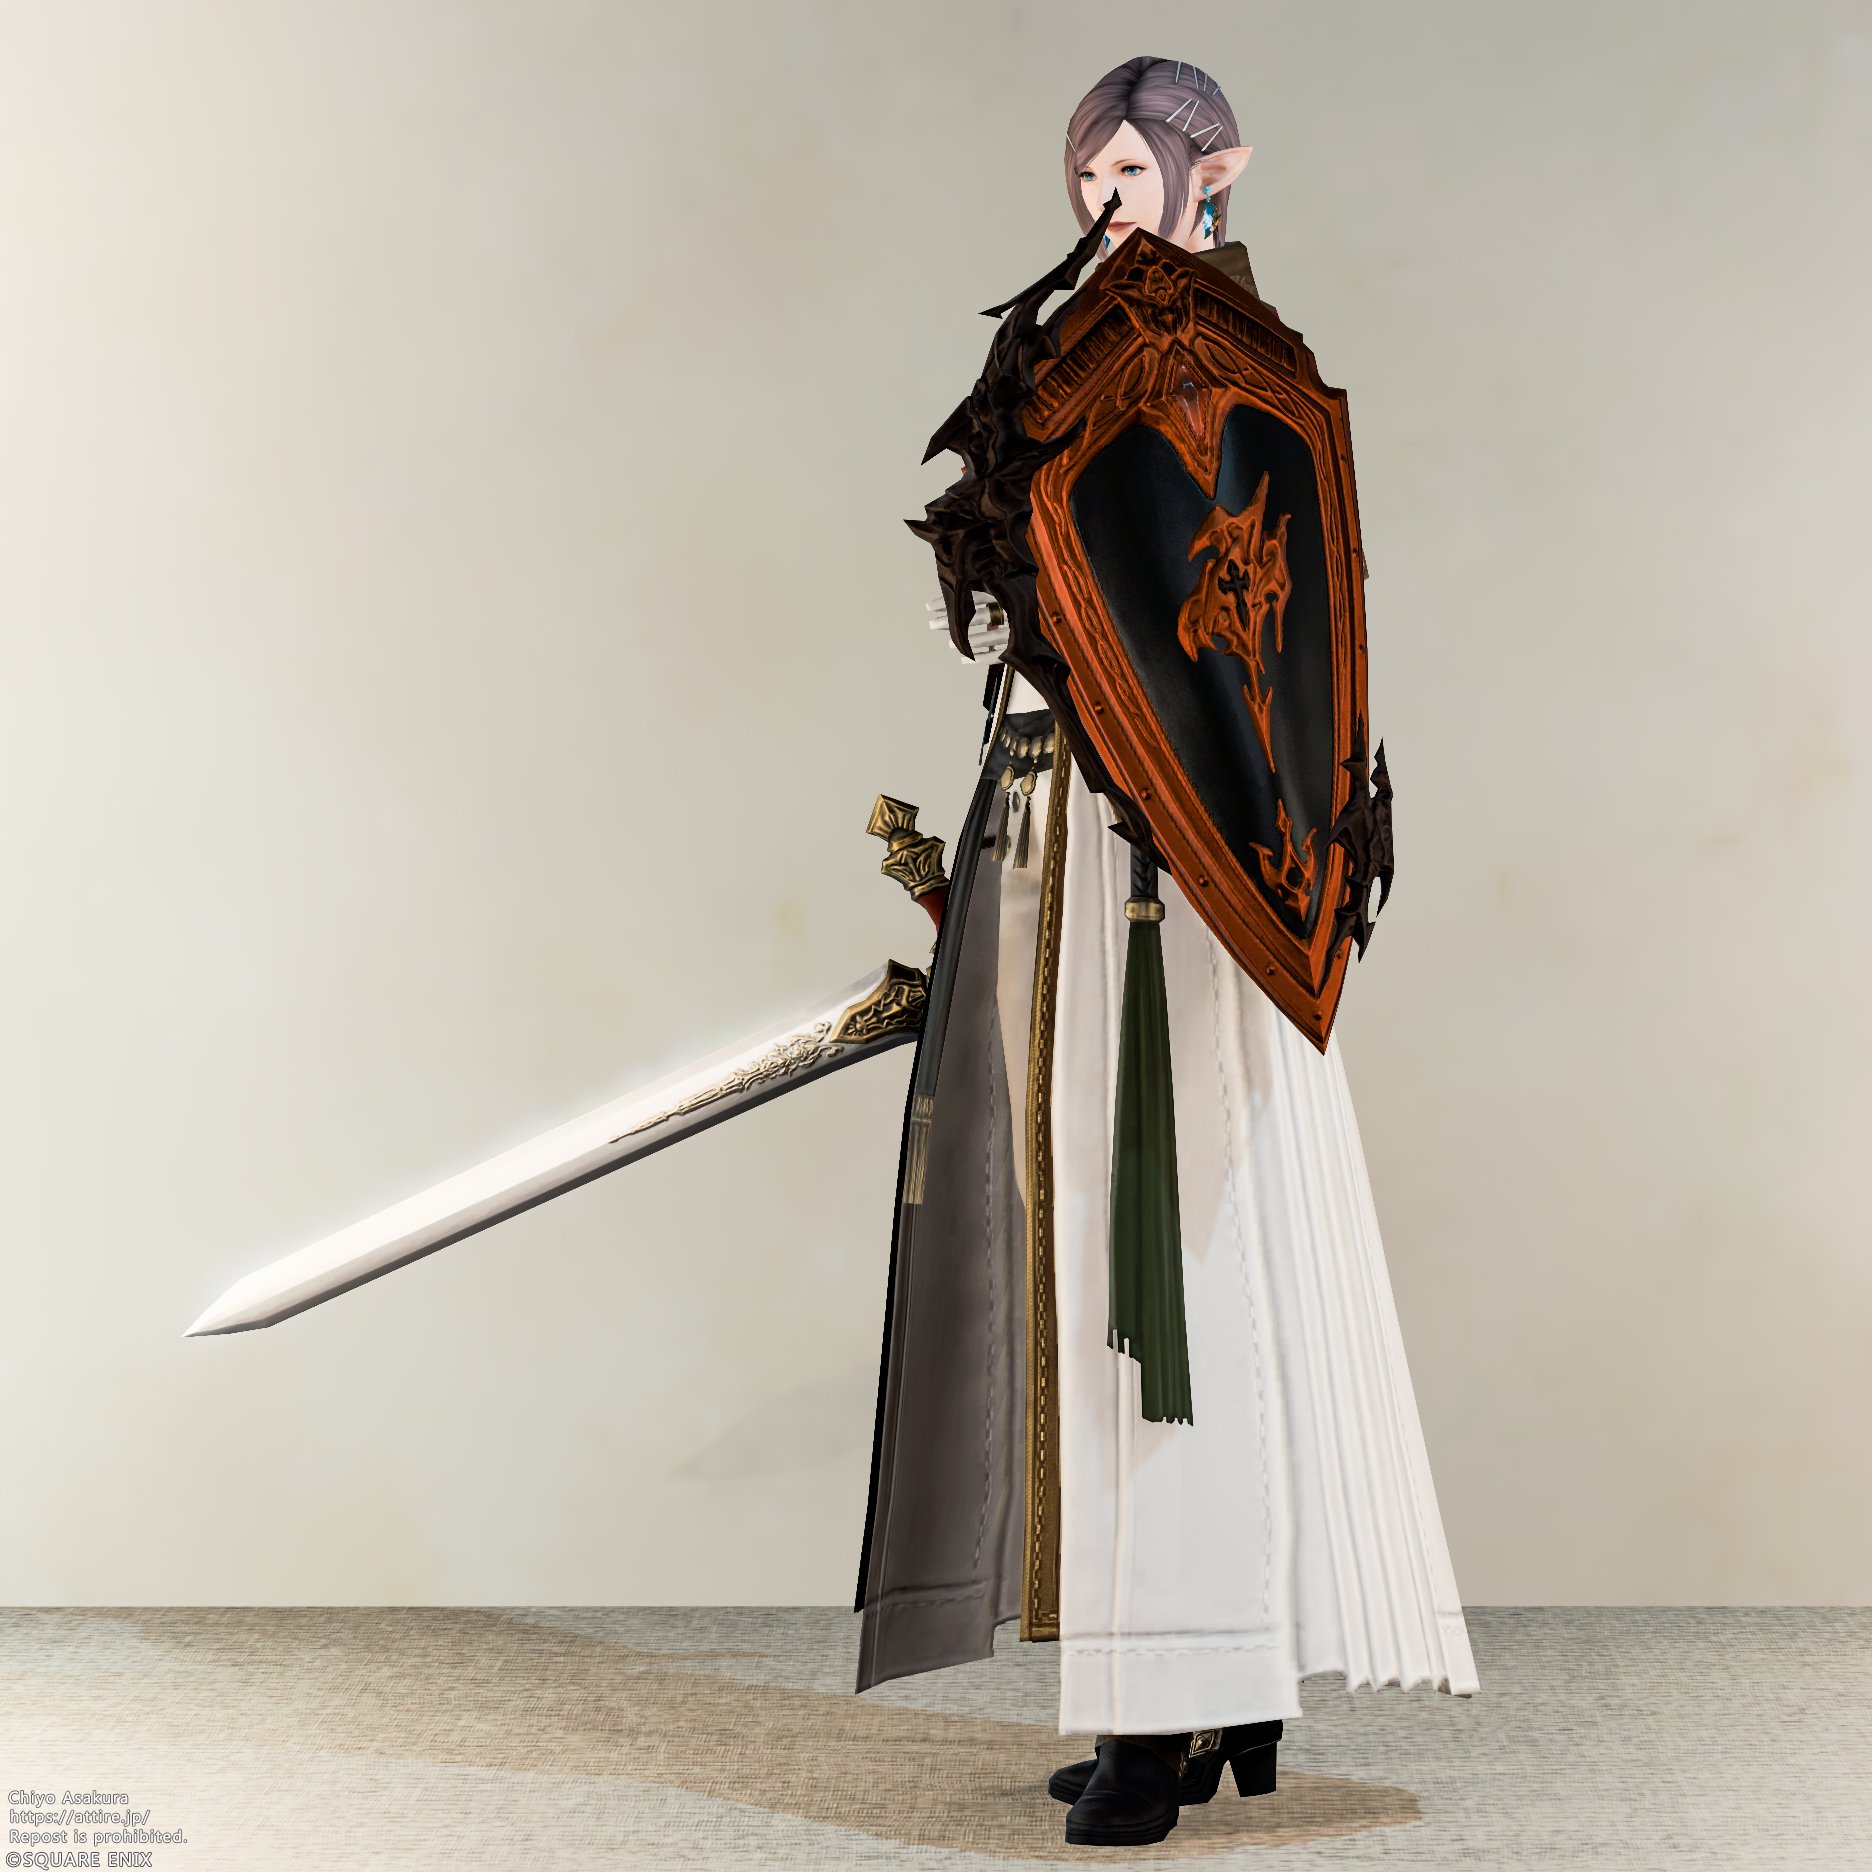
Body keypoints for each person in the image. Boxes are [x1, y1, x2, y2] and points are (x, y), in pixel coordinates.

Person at [855, 56, 1478, 1849]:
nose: (1101, 201)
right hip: (1062, 837)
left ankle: (1175, 1696)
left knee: (1174, 1276)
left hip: (1173, 876)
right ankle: (1202, 1684)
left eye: (1129, 168)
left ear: (1219, 170)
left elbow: (1235, 649)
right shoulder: (1077, 361)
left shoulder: (1227, 370)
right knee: (1107, 1268)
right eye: (1087, 174)